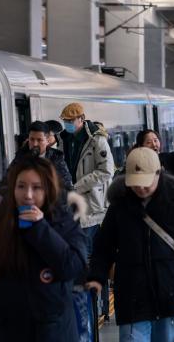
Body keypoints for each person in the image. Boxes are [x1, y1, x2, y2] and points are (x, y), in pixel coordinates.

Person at [0, 157, 87, 341]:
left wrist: (40, 228)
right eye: (21, 186)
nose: (27, 195)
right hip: (5, 331)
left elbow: (72, 267)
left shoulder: (64, 223)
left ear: (48, 189)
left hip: (50, 332)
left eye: (36, 188)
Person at [86, 148, 174, 342]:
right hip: (132, 296)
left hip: (171, 295)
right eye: (135, 183)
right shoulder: (120, 205)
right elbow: (104, 246)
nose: (140, 189)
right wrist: (96, 277)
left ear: (158, 173)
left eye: (146, 183)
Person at [58, 102, 115, 327]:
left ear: (81, 119)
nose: (68, 125)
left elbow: (106, 171)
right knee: (78, 261)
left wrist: (78, 185)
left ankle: (97, 306)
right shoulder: (63, 140)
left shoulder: (97, 140)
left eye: (70, 121)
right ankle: (84, 307)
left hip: (92, 209)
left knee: (90, 260)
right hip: (69, 210)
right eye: (65, 121)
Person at [4, 121, 73, 192]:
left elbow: (68, 186)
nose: (35, 144)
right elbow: (4, 184)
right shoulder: (21, 156)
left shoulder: (55, 157)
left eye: (39, 140)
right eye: (32, 139)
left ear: (47, 141)